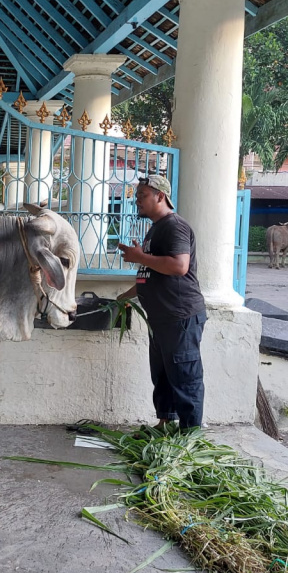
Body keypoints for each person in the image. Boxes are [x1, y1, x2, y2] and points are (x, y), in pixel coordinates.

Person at [117, 175, 207, 431]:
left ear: (160, 196)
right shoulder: (156, 228)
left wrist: (140, 257)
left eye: (142, 196)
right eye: (136, 197)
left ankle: (190, 433)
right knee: (164, 374)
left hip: (180, 317)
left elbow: (179, 266)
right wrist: (125, 296)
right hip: (160, 319)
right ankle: (165, 424)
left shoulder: (174, 226)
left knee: (184, 375)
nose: (137, 201)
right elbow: (152, 275)